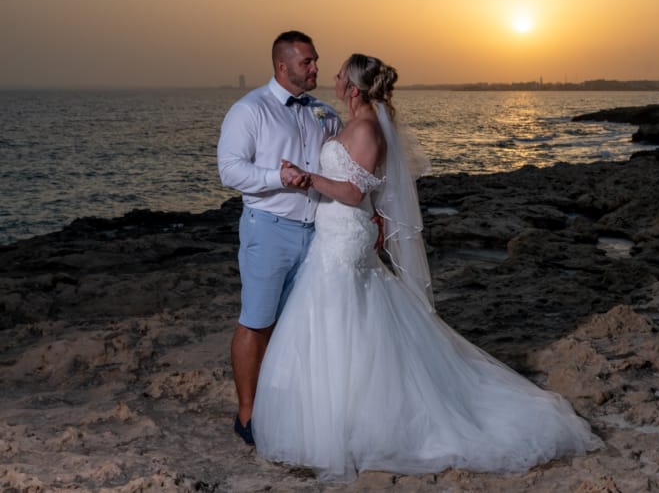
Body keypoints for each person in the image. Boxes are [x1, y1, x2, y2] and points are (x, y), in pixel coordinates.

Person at [251, 53, 602, 481]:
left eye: (341, 73)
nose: (335, 77)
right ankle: (338, 416)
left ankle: (353, 425)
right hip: (335, 235)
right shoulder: (354, 124)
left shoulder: (364, 129)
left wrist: (307, 178)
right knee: (340, 322)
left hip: (344, 237)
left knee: (342, 320)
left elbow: (350, 191)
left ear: (355, 88)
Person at [216, 30, 342, 445]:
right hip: (268, 229)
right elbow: (230, 170)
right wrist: (277, 177)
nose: (315, 68)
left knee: (297, 326)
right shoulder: (250, 110)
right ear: (282, 66)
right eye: (307, 62)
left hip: (318, 233)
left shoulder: (322, 112)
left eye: (316, 60)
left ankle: (288, 407)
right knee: (256, 321)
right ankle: (248, 415)